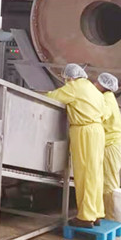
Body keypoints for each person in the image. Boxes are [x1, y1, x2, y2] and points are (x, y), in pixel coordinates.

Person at [44, 63, 105, 229]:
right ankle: (96, 213)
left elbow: (52, 97)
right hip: (98, 131)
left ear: (70, 77)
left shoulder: (74, 87)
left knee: (84, 173)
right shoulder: (93, 89)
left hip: (84, 131)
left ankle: (85, 217)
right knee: (96, 173)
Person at [95, 72, 121, 220]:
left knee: (109, 186)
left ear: (103, 85)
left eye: (97, 82)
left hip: (111, 147)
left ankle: (111, 219)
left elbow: (101, 115)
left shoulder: (106, 99)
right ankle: (108, 216)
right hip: (115, 144)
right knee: (108, 183)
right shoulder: (109, 97)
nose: (95, 84)